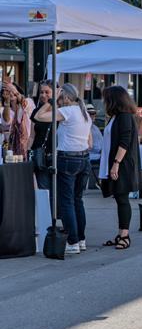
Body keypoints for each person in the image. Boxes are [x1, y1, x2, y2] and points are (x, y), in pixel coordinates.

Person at [35, 84, 92, 255]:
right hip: (83, 158)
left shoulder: (68, 111)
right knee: (77, 200)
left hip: (68, 158)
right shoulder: (83, 111)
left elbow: (39, 116)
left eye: (59, 97)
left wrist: (51, 101)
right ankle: (80, 239)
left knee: (66, 202)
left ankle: (72, 241)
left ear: (65, 97)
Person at [99, 87, 141, 250]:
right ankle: (121, 233)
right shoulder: (117, 117)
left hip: (122, 164)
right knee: (119, 198)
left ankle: (125, 235)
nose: (104, 102)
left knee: (122, 199)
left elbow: (124, 141)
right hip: (117, 162)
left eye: (106, 99)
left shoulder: (124, 117)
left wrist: (116, 163)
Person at [29, 81, 55, 190]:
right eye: (41, 92)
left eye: (47, 92)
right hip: (40, 156)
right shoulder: (36, 112)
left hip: (55, 156)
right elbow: (32, 135)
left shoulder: (60, 112)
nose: (43, 95)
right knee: (43, 191)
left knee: (57, 191)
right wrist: (28, 151)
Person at [1, 80, 35, 157]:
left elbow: (24, 103)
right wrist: (7, 101)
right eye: (7, 91)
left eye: (11, 90)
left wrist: (15, 91)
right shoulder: (4, 109)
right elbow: (7, 120)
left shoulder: (29, 102)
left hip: (27, 145)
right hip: (12, 147)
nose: (10, 93)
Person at [86, 104, 103, 189]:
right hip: (90, 154)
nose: (93, 116)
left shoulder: (95, 127)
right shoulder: (84, 127)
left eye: (94, 114)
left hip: (99, 153)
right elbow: (88, 146)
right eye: (91, 114)